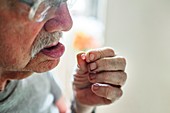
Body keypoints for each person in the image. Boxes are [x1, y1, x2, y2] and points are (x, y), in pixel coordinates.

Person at [0, 0, 127, 113]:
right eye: (41, 4)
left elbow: (63, 110)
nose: (68, 23)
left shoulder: (32, 64)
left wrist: (82, 106)